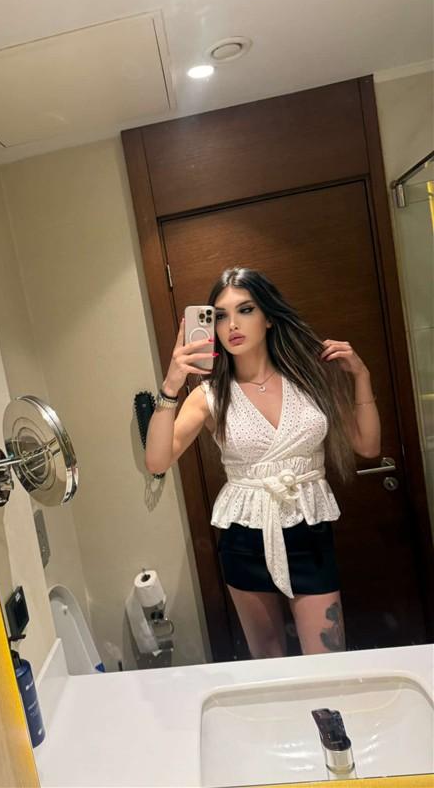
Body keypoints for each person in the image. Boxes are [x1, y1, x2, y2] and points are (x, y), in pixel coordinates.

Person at [145, 267, 381, 658]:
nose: (232, 325)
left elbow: (368, 445)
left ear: (269, 317)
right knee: (268, 662)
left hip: (309, 532)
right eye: (221, 316)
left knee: (328, 659)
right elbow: (156, 461)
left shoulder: (311, 380)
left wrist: (362, 375)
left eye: (246, 309)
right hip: (245, 539)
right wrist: (171, 386)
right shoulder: (209, 396)